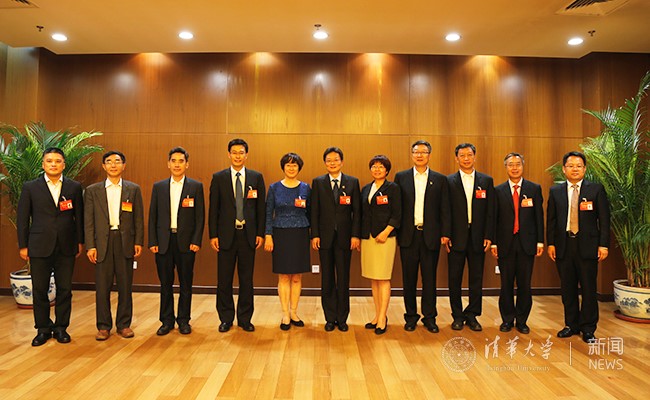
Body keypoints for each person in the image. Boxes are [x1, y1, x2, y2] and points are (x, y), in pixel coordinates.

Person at [17, 147, 84, 346]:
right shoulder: (30, 187)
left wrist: (80, 241)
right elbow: (22, 218)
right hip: (39, 245)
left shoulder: (74, 187)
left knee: (65, 289)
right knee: (40, 289)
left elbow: (79, 217)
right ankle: (43, 329)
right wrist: (23, 245)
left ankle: (61, 328)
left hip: (67, 245)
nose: (53, 164)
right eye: (49, 161)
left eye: (57, 161)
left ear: (63, 164)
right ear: (43, 164)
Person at [547, 151, 610, 343]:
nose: (575, 169)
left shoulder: (596, 189)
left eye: (579, 166)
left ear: (584, 168)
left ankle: (588, 328)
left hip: (588, 246)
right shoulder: (555, 191)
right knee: (568, 288)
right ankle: (571, 325)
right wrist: (551, 243)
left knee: (589, 288)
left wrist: (603, 245)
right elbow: (551, 220)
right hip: (564, 245)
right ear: (564, 169)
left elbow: (604, 220)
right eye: (571, 166)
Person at [84, 150, 144, 340]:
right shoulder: (92, 190)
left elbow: (138, 218)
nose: (113, 165)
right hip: (102, 242)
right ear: (104, 166)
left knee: (125, 286)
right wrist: (90, 245)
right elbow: (88, 221)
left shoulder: (133, 189)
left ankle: (124, 325)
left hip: (125, 241)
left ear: (123, 166)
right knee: (102, 287)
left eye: (117, 161)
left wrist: (138, 241)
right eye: (109, 162)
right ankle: (103, 326)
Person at [209, 138, 266, 333]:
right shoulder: (219, 178)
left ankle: (245, 319)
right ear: (229, 154)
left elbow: (261, 208)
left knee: (246, 280)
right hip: (225, 236)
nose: (238, 156)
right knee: (224, 280)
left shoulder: (256, 177)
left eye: (241, 152)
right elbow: (214, 209)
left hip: (248, 236)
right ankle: (226, 318)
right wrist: (213, 235)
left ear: (246, 155)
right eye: (234, 152)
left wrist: (260, 233)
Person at [395, 140, 450, 333]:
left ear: (429, 155)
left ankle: (430, 317)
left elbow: (445, 208)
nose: (419, 155)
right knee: (408, 280)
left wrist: (445, 233)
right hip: (408, 236)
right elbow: (397, 207)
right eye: (416, 152)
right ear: (411, 155)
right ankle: (410, 317)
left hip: (431, 236)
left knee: (429, 279)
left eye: (423, 152)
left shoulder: (440, 179)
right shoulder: (401, 177)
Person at [148, 147, 205, 336]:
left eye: (181, 161)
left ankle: (183, 320)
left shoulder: (195, 187)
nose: (177, 164)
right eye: (174, 161)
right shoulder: (159, 187)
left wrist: (196, 240)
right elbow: (153, 215)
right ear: (168, 164)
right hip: (163, 242)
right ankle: (166, 321)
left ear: (187, 164)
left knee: (186, 284)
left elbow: (200, 217)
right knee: (165, 284)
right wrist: (152, 241)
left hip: (186, 243)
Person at [490, 152, 544, 334]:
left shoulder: (533, 189)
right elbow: (493, 218)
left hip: (527, 243)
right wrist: (494, 243)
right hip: (504, 244)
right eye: (511, 164)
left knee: (524, 284)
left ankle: (521, 320)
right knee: (506, 284)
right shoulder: (498, 191)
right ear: (505, 167)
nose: (514, 168)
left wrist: (540, 241)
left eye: (518, 164)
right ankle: (507, 320)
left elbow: (539, 217)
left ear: (523, 166)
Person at [311, 147, 361, 332]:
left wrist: (355, 235)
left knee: (343, 278)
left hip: (345, 239)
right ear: (325, 163)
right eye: (329, 160)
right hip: (324, 238)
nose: (332, 163)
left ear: (342, 162)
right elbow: (314, 211)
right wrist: (315, 235)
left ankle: (342, 318)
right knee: (327, 279)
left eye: (336, 160)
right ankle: (330, 318)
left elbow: (357, 213)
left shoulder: (352, 182)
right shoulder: (318, 182)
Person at [446, 143, 494, 331]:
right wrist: (446, 235)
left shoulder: (486, 181)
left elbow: (490, 210)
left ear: (475, 157)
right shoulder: (448, 181)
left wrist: (489, 235)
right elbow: (445, 211)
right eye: (462, 155)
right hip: (455, 237)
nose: (466, 158)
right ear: (456, 158)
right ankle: (457, 316)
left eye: (469, 155)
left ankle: (472, 315)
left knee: (476, 278)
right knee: (454, 279)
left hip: (478, 237)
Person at [264, 153, 311, 330]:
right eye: (288, 165)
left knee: (297, 277)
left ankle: (294, 312)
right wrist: (268, 235)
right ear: (283, 167)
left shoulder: (306, 188)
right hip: (280, 234)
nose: (291, 168)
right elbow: (268, 213)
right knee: (283, 276)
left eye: (294, 165)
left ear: (299, 168)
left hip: (300, 233)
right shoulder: (274, 187)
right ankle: (284, 314)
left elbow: (311, 212)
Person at [360, 155, 401, 335]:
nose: (377, 169)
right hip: (368, 238)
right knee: (374, 278)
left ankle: (383, 317)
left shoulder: (393, 188)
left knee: (383, 277)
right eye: (374, 166)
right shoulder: (366, 189)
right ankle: (376, 315)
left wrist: (386, 231)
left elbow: (397, 214)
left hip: (385, 238)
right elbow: (363, 214)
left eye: (381, 167)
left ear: (387, 170)